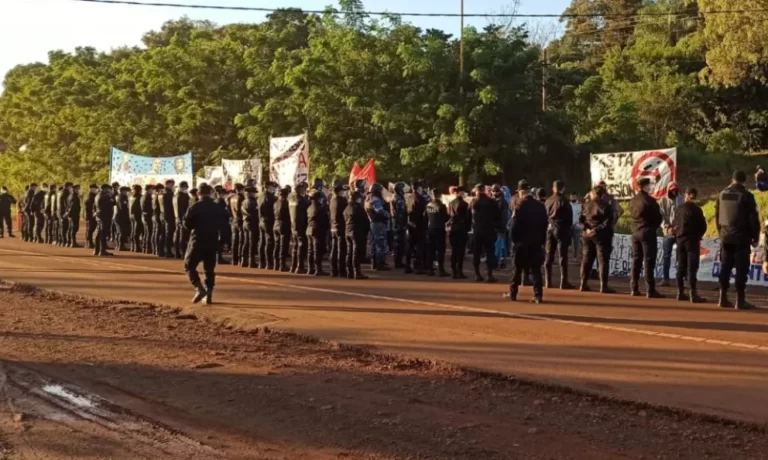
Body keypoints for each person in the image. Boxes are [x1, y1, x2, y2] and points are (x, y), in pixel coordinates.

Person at [715, 170, 760, 309]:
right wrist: (755, 237)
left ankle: (722, 298)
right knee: (741, 269)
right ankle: (740, 301)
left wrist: (720, 233)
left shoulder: (721, 194)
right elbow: (753, 219)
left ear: (732, 179)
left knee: (725, 267)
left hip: (725, 237)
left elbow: (717, 217)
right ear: (744, 181)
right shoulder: (747, 196)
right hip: (741, 237)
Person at [184, 184, 228, 305]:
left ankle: (199, 288)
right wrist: (223, 242)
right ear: (211, 193)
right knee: (209, 269)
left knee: (189, 266)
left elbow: (187, 224)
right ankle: (209, 294)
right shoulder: (218, 207)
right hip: (213, 241)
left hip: (197, 240)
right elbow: (225, 225)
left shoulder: (195, 206)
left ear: (198, 194)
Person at [507, 180, 549, 303]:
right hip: (536, 242)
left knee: (517, 269)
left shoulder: (519, 206)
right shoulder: (540, 206)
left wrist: (515, 241)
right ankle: (538, 295)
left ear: (520, 191)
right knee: (536, 270)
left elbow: (515, 226)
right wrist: (541, 241)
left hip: (521, 243)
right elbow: (545, 225)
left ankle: (513, 293)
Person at [628, 177, 664, 298]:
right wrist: (654, 227)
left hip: (635, 232)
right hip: (647, 232)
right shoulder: (650, 201)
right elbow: (658, 218)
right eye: (650, 185)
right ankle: (650, 289)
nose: (651, 187)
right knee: (649, 260)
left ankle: (634, 287)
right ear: (645, 186)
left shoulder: (632, 200)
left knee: (636, 260)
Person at [673, 187, 707, 303]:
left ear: (686, 195)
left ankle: (680, 292)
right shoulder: (697, 210)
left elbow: (675, 224)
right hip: (692, 240)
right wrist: (698, 235)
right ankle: (693, 293)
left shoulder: (679, 209)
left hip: (680, 240)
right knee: (692, 267)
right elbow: (703, 226)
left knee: (681, 266)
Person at [579, 186, 615, 293]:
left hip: (587, 235)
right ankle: (603, 286)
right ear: (603, 195)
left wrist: (586, 229)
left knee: (586, 259)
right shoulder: (606, 207)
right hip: (602, 236)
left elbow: (581, 220)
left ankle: (583, 283)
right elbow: (608, 222)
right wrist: (596, 230)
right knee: (603, 261)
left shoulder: (585, 205)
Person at [544, 180, 574, 289]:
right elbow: (569, 218)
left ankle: (548, 281)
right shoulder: (564, 201)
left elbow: (545, 215)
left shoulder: (548, 200)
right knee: (562, 255)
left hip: (550, 228)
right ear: (563, 188)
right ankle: (563, 281)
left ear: (553, 188)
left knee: (549, 254)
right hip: (561, 228)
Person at [470, 183, 499, 283]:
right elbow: (497, 216)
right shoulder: (491, 201)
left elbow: (468, 216)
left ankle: (477, 274)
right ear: (484, 190)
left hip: (477, 230)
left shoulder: (473, 202)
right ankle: (489, 274)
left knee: (477, 252)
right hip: (489, 230)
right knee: (490, 252)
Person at [659, 182, 683, 287]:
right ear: (668, 190)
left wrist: (678, 227)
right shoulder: (662, 201)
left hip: (679, 231)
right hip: (667, 232)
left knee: (680, 256)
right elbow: (661, 216)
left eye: (675, 190)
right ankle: (666, 279)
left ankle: (680, 279)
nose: (674, 192)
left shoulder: (681, 200)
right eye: (672, 190)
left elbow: (683, 215)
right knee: (666, 256)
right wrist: (667, 228)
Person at [344, 188, 370, 280]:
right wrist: (366, 230)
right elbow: (365, 221)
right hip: (357, 232)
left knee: (349, 252)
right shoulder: (358, 208)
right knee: (356, 253)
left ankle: (349, 272)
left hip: (348, 231)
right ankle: (357, 272)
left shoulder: (347, 208)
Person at [307, 179, 330, 276]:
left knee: (311, 250)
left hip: (310, 229)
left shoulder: (310, 204)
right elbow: (322, 217)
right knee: (317, 250)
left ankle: (310, 268)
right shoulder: (318, 207)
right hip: (317, 229)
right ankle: (318, 269)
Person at [366, 183, 390, 271]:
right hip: (378, 223)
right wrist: (388, 214)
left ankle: (375, 263)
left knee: (373, 243)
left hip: (373, 223)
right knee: (380, 243)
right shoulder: (375, 198)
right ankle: (379, 263)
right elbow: (379, 210)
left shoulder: (368, 198)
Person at [405, 180, 428, 274]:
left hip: (410, 223)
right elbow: (424, 213)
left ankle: (407, 266)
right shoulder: (421, 199)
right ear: (419, 188)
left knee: (410, 246)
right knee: (419, 246)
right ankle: (418, 266)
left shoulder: (408, 197)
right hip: (419, 225)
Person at [447, 186, 470, 279]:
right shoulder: (464, 204)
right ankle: (459, 270)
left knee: (454, 250)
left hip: (453, 228)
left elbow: (448, 215)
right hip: (462, 229)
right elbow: (468, 218)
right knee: (461, 251)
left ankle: (453, 271)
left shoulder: (451, 203)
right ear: (460, 193)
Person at [426, 188, 449, 277]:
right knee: (440, 250)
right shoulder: (441, 205)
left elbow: (425, 216)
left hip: (430, 228)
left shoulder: (428, 205)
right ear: (440, 195)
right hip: (439, 228)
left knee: (431, 249)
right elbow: (446, 218)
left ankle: (430, 269)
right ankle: (441, 269)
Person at [329, 181, 349, 277]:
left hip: (333, 227)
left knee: (334, 249)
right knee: (341, 250)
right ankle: (341, 270)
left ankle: (334, 270)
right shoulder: (341, 201)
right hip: (341, 227)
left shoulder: (332, 200)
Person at [289, 182, 309, 274]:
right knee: (300, 246)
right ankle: (299, 266)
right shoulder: (301, 200)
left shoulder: (291, 198)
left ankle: (293, 266)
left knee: (295, 245)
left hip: (293, 225)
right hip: (301, 225)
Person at [258, 182, 277, 269]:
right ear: (269, 187)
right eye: (273, 187)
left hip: (261, 221)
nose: (274, 189)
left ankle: (262, 262)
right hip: (268, 221)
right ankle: (269, 262)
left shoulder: (260, 195)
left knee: (262, 242)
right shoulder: (270, 197)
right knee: (269, 242)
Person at [273, 185, 292, 272]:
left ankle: (276, 264)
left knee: (276, 245)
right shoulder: (286, 203)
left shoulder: (276, 202)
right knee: (283, 246)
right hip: (283, 225)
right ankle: (282, 265)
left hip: (276, 224)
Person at [93, 184, 114, 257]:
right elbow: (113, 203)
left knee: (99, 233)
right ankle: (102, 250)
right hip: (104, 216)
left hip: (99, 216)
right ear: (105, 189)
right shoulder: (105, 196)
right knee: (103, 233)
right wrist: (112, 195)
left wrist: (95, 213)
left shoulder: (97, 195)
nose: (109, 190)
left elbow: (94, 206)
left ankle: (97, 249)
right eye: (109, 189)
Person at [390, 182, 408, 269]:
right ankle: (398, 262)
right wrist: (403, 224)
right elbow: (400, 213)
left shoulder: (396, 197)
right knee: (399, 243)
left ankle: (398, 261)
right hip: (398, 223)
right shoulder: (398, 198)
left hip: (397, 223)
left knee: (399, 243)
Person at [241, 186, 259, 268]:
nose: (255, 194)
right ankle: (251, 261)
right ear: (251, 193)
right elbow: (255, 213)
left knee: (246, 242)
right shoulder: (252, 202)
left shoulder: (244, 201)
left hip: (245, 222)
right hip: (252, 223)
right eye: (254, 192)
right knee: (252, 243)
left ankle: (243, 260)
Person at [228, 183, 245, 266]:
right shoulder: (241, 197)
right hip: (240, 220)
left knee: (235, 241)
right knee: (241, 241)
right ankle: (240, 259)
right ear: (241, 189)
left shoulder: (231, 198)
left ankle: (234, 259)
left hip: (234, 220)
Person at [173, 181, 191, 258]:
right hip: (182, 218)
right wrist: (182, 219)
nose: (186, 189)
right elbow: (182, 209)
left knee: (177, 235)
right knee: (182, 237)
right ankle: (182, 252)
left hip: (177, 218)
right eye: (185, 187)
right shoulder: (182, 196)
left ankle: (177, 252)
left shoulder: (175, 196)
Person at [159, 180, 176, 258]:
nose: (173, 186)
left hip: (163, 215)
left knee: (163, 234)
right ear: (168, 184)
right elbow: (171, 205)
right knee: (168, 234)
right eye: (172, 185)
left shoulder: (160, 193)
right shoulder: (168, 194)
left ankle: (161, 250)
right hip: (169, 216)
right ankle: (167, 251)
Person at [213, 185, 229, 264]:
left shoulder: (216, 201)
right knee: (220, 241)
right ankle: (218, 258)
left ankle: (218, 257)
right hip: (221, 224)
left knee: (219, 241)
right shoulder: (220, 201)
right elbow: (224, 213)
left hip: (217, 223)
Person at [115, 186, 131, 252]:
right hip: (121, 216)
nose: (127, 192)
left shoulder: (118, 196)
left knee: (119, 232)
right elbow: (123, 207)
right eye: (126, 191)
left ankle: (118, 245)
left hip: (119, 216)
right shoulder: (122, 197)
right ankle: (120, 246)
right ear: (123, 191)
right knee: (122, 232)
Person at [140, 184, 154, 254]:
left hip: (144, 215)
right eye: (152, 189)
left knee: (146, 232)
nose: (153, 190)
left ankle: (144, 248)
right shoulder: (147, 196)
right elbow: (148, 207)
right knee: (149, 232)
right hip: (147, 216)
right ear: (149, 189)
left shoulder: (143, 196)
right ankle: (148, 248)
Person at [129, 185, 144, 252]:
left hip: (131, 215)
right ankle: (136, 247)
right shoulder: (140, 197)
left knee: (133, 231)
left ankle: (133, 246)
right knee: (136, 232)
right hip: (137, 216)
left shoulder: (131, 197)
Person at [152, 183, 165, 257]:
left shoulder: (153, 195)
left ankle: (155, 249)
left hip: (154, 215)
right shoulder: (157, 195)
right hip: (157, 215)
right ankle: (158, 249)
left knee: (155, 232)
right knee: (159, 232)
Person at [570, 193, 582, 259]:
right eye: (571, 197)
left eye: (573, 197)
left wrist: (579, 223)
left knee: (576, 242)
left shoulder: (579, 206)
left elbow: (581, 216)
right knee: (570, 242)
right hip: (569, 226)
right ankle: (572, 255)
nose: (572, 199)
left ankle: (576, 256)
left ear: (576, 197)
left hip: (577, 226)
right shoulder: (568, 205)